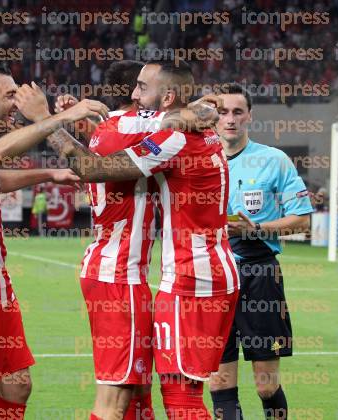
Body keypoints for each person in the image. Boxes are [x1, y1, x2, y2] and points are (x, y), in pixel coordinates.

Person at [31, 59, 240, 419]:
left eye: (143, 87)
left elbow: (92, 166)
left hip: (187, 278)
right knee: (144, 392)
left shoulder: (170, 136)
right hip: (200, 271)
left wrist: (44, 120)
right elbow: (197, 108)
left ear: (168, 95)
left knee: (177, 399)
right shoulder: (185, 128)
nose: (135, 94)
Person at [0, 62, 108, 420]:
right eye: (9, 94)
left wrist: (51, 173)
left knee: (16, 384)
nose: (18, 101)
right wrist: (61, 116)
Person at [55, 59, 159, 420]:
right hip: (120, 277)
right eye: (151, 85)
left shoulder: (108, 129)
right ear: (138, 92)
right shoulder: (135, 124)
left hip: (110, 270)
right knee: (114, 400)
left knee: (139, 388)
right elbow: (191, 114)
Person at [208, 83, 314, 420]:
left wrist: (256, 229)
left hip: (259, 275)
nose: (230, 119)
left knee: (266, 385)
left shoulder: (273, 160)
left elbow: (303, 221)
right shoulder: (198, 161)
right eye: (222, 111)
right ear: (211, 116)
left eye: (237, 111)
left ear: (249, 116)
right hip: (212, 277)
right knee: (220, 382)